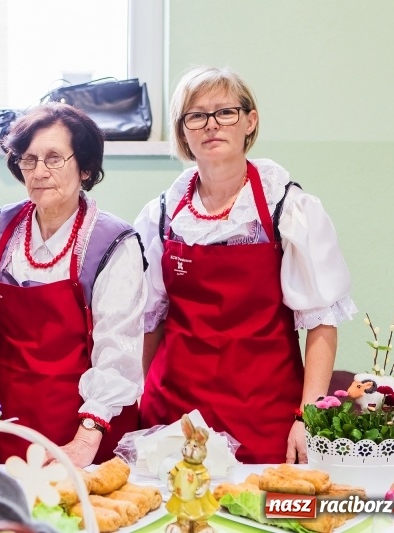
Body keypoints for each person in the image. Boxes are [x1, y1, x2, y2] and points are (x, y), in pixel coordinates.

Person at [135, 66, 356, 464]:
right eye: (196, 115)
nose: (211, 125)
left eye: (225, 112)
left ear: (250, 121)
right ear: (182, 131)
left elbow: (321, 321)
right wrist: (141, 397)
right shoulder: (161, 215)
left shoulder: (287, 209)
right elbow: (150, 320)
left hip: (265, 413)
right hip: (175, 415)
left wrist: (308, 417)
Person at [0, 103, 146, 468]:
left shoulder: (113, 242)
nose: (39, 171)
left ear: (85, 168)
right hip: (11, 425)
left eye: (54, 158)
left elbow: (119, 351)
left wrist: (86, 438)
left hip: (85, 429)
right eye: (28, 159)